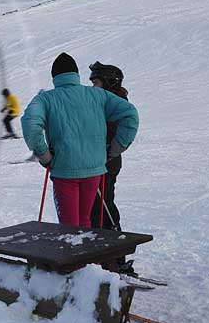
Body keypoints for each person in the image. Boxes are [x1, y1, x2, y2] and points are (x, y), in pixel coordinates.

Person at [21, 53, 139, 228]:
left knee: (69, 227)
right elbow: (130, 115)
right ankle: (89, 253)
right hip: (95, 170)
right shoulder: (97, 95)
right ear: (76, 74)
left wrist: (45, 156)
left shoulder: (45, 99)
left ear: (55, 77)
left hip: (64, 171)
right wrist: (114, 149)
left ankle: (75, 253)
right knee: (85, 220)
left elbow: (30, 125)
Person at [87, 62, 134, 270]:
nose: (93, 86)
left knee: (102, 207)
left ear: (108, 82)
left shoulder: (114, 101)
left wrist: (109, 150)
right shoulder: (103, 99)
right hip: (101, 159)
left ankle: (114, 260)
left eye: (96, 82)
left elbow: (118, 128)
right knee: (100, 206)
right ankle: (111, 258)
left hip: (106, 161)